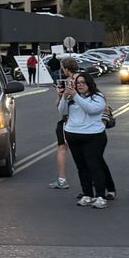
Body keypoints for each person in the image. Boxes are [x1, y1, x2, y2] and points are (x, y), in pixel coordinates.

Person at [60, 72, 112, 208]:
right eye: (77, 83)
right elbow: (62, 111)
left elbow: (91, 110)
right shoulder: (72, 97)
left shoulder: (97, 97)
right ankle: (87, 194)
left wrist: (76, 96)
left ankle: (100, 195)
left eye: (83, 82)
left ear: (89, 84)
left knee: (94, 165)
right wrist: (64, 97)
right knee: (81, 167)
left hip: (94, 135)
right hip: (73, 134)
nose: (80, 85)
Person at [48, 57, 81, 191]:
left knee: (62, 148)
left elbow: (59, 107)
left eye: (63, 68)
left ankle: (62, 179)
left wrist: (61, 96)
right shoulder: (84, 81)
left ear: (66, 69)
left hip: (69, 120)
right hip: (85, 122)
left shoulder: (70, 82)